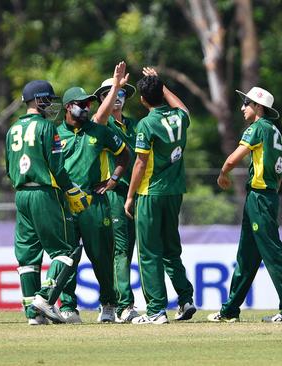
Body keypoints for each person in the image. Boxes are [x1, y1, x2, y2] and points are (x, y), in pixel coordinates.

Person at [207, 86, 282, 323]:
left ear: (258, 107)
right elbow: (279, 170)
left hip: (260, 197)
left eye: (246, 103)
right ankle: (230, 310)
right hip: (264, 197)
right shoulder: (274, 131)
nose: (242, 108)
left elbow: (233, 158)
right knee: (247, 257)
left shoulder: (257, 128)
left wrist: (223, 174)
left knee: (271, 252)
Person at [5, 80, 92, 325]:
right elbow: (56, 166)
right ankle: (44, 299)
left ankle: (33, 315)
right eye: (48, 99)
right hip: (44, 193)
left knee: (28, 256)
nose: (51, 104)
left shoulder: (12, 129)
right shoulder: (47, 127)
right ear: (37, 99)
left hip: (21, 194)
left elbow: (8, 168)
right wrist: (71, 191)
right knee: (66, 250)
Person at [124, 68, 196, 325]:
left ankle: (156, 310)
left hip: (150, 193)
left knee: (148, 253)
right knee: (170, 250)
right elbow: (185, 109)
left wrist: (130, 196)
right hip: (175, 192)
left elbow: (140, 164)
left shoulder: (146, 124)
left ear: (143, 99)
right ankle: (185, 299)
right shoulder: (178, 117)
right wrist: (162, 84)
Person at [57, 82, 130, 324]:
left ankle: (108, 304)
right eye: (81, 104)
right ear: (68, 107)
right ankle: (68, 307)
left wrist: (113, 180)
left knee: (101, 256)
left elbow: (124, 155)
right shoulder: (56, 134)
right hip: (66, 204)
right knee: (68, 257)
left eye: (89, 103)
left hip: (94, 202)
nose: (87, 107)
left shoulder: (99, 131)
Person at [92, 61, 140, 323]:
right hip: (111, 193)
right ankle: (122, 305)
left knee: (126, 251)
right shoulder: (101, 125)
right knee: (117, 250)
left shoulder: (134, 126)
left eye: (121, 93)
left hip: (133, 196)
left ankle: (110, 303)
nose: (117, 98)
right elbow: (99, 117)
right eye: (110, 94)